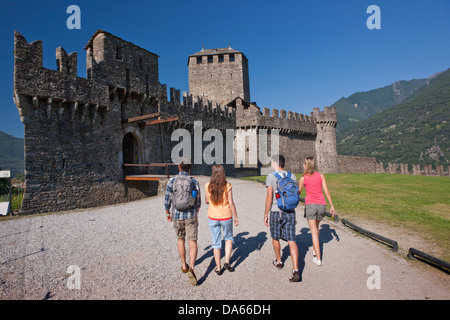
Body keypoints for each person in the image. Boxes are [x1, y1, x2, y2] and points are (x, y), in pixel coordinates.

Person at [164, 158, 201, 286]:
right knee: (192, 241)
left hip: (177, 215)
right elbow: (198, 201)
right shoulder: (194, 181)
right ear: (189, 168)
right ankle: (192, 267)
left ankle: (183, 265)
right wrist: (195, 212)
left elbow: (167, 199)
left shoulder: (172, 180)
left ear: (179, 166)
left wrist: (168, 213)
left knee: (181, 239)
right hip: (190, 215)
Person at [264, 155, 300, 282]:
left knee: (275, 237)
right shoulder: (292, 176)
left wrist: (265, 214)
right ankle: (296, 269)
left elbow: (269, 198)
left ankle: (279, 261)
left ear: (274, 163)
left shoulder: (271, 176)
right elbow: (297, 193)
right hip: (290, 211)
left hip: (275, 211)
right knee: (291, 239)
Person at [298, 156, 335, 266]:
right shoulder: (321, 176)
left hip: (311, 205)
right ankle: (315, 248)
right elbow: (327, 192)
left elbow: (298, 193)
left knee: (313, 232)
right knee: (316, 229)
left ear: (306, 165)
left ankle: (318, 258)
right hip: (321, 205)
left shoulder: (303, 178)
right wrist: (332, 206)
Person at [205, 164, 239, 275]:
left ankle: (218, 268)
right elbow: (231, 203)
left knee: (216, 242)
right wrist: (236, 216)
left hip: (213, 216)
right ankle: (227, 261)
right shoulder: (227, 185)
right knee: (228, 237)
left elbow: (207, 201)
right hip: (226, 215)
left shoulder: (207, 186)